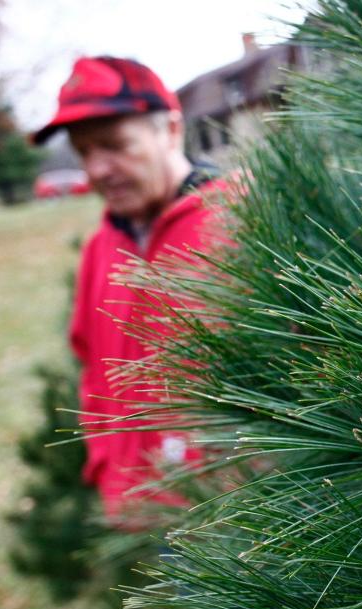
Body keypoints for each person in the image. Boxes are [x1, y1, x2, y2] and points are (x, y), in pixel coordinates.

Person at [33, 56, 228, 523]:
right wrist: (108, 465)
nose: (97, 169)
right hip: (145, 510)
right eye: (83, 152)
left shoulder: (244, 219)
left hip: (242, 517)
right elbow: (93, 369)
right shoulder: (101, 246)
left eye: (114, 144)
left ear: (172, 130)